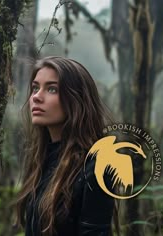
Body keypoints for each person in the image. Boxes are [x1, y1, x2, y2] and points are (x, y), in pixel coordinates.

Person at [15, 56, 116, 236]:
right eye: (35, 88)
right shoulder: (42, 159)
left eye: (52, 89)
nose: (37, 97)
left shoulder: (95, 167)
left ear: (76, 100)